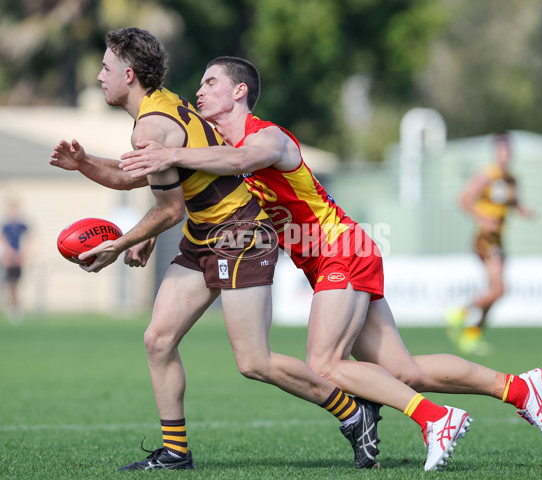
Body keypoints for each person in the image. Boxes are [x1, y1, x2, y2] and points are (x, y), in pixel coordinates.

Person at [120, 56, 542, 470]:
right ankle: (520, 388)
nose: (199, 92)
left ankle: (434, 420)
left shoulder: (266, 136)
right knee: (404, 371)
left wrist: (170, 154)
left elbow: (240, 159)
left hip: (340, 249)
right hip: (332, 257)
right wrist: (149, 226)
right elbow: (195, 196)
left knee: (325, 364)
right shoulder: (213, 149)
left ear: (239, 92)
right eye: (198, 85)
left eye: (210, 83)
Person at [50, 28, 386, 472]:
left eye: (106, 69)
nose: (99, 77)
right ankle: (175, 452)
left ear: (128, 75)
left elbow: (168, 210)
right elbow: (141, 174)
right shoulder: (163, 104)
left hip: (241, 235)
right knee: (158, 338)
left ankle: (354, 413)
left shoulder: (151, 124)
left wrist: (121, 243)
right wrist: (86, 163)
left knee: (254, 361)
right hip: (206, 236)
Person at [446, 133, 535, 355]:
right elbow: (463, 199)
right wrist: (482, 218)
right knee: (500, 289)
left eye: (508, 151)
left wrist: (521, 209)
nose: (504, 156)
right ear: (496, 153)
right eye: (501, 151)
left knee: (497, 291)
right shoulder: (487, 175)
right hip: (485, 240)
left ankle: (472, 334)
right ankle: (460, 314)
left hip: (498, 239)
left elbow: (511, 201)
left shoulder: (511, 179)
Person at [1, 199, 29, 323]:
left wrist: (23, 254)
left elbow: (29, 239)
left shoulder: (22, 225)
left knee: (15, 284)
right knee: (9, 284)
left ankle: (17, 308)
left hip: (17, 259)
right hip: (8, 259)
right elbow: (3, 240)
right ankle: (13, 308)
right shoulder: (5, 226)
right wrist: (7, 254)